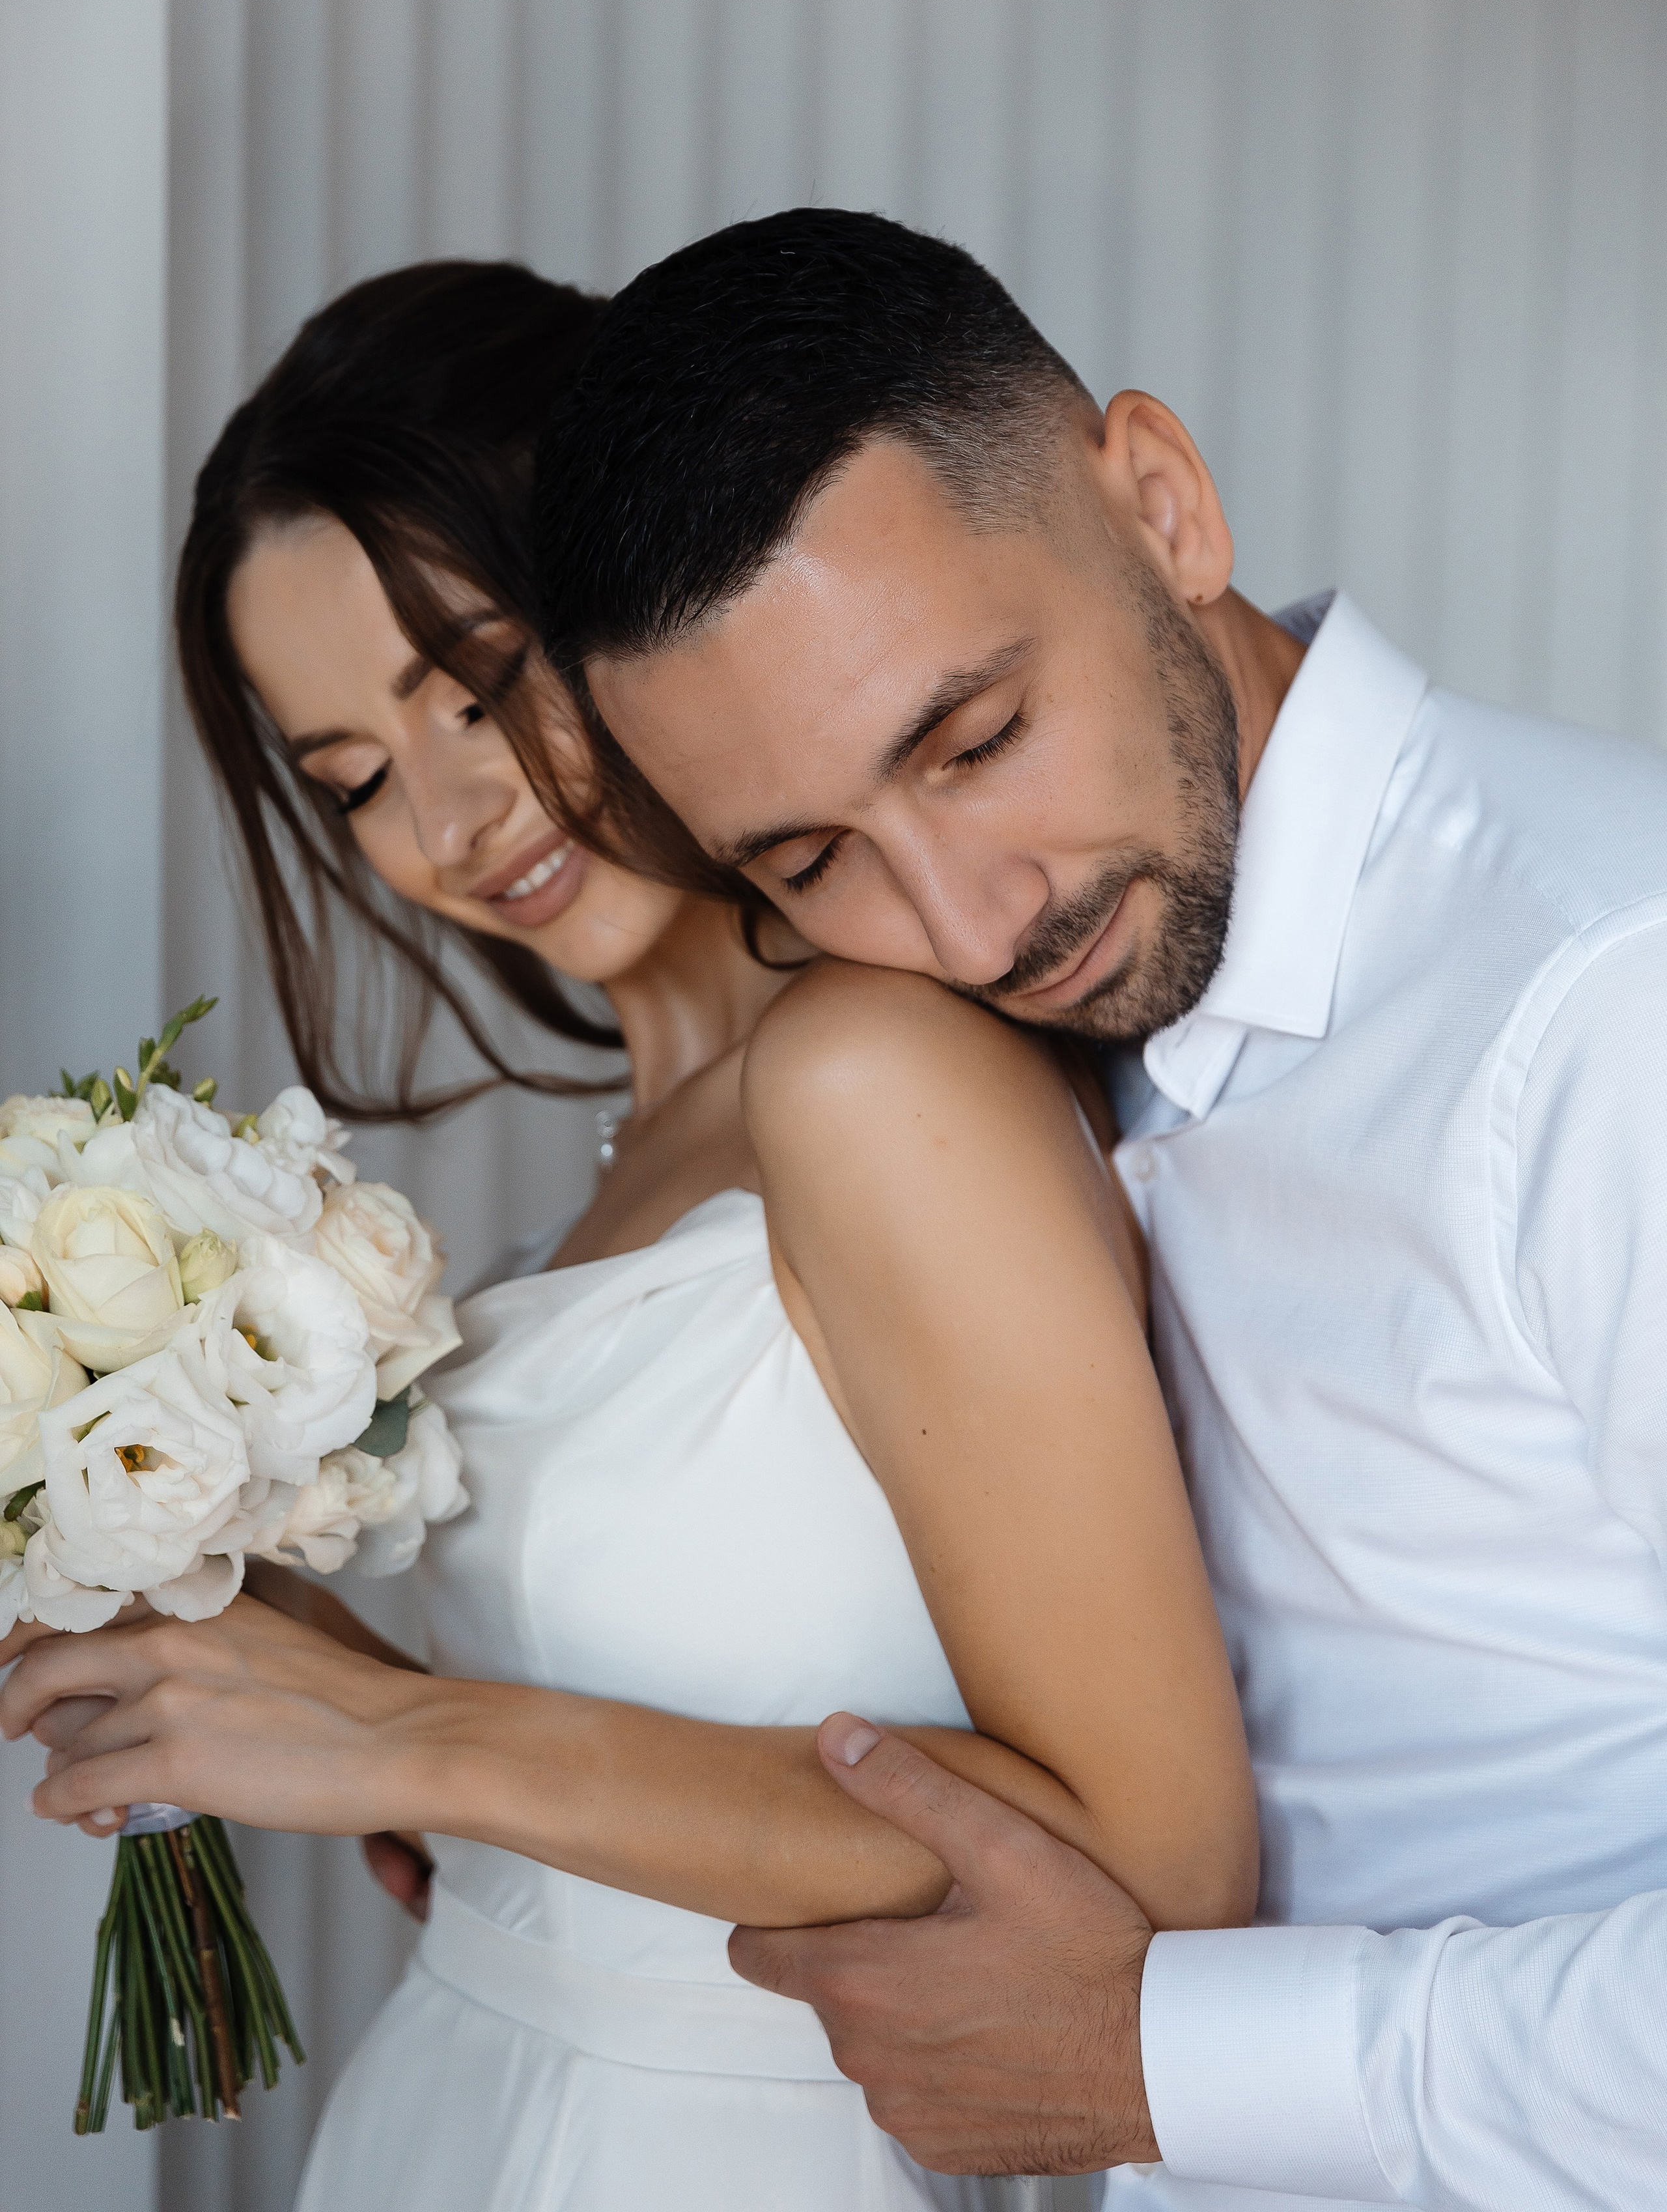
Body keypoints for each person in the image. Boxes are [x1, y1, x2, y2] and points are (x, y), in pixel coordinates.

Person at [1, 259, 1257, 2212]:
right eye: (351, 781)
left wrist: (409, 1740)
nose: (448, 818)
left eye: (478, 687)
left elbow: (1151, 1868)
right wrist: (249, 1642)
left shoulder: (871, 1079)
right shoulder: (637, 1146)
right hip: (468, 2106)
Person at [522, 207, 1667, 2209]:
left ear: (1164, 504)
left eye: (974, 740)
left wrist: (1161, 2055)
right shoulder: (1016, 1023)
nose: (968, 918)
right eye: (811, 857)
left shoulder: (1606, 1007)